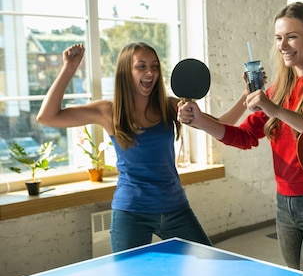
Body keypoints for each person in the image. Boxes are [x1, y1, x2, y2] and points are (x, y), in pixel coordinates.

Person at [177, 2, 303, 276]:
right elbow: (244, 136)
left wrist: (275, 110)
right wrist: (200, 120)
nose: (283, 45)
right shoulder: (277, 89)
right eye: (278, 38)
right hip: (284, 204)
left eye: (292, 36)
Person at [37, 42, 252, 252]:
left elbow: (223, 125)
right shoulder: (108, 112)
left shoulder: (170, 106)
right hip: (131, 212)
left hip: (175, 209)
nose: (150, 72)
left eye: (155, 66)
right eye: (141, 66)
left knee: (208, 266)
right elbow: (47, 117)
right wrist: (69, 68)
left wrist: (247, 95)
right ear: (125, 72)